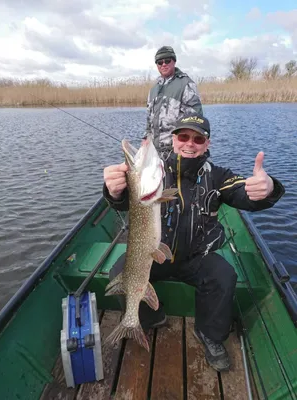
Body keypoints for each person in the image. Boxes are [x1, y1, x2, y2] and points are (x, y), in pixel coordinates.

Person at [103, 113, 285, 372]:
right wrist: (114, 191)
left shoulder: (219, 177)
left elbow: (245, 194)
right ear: (174, 139)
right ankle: (151, 318)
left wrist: (267, 189)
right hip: (157, 254)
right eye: (183, 136)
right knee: (121, 270)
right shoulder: (153, 172)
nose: (190, 143)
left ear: (207, 144)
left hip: (197, 257)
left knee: (224, 276)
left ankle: (210, 334)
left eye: (198, 138)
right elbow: (129, 200)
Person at [145, 46, 203, 158]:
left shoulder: (186, 84)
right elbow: (149, 120)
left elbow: (196, 121)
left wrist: (185, 148)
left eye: (167, 61)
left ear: (174, 61)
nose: (163, 64)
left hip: (176, 152)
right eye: (159, 62)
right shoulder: (153, 90)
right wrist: (146, 139)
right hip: (154, 152)